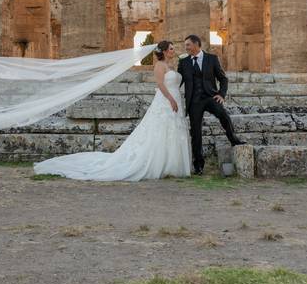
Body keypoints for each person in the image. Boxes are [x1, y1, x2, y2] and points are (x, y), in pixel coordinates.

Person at [32, 40, 191, 180]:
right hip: (166, 101)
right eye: (171, 48)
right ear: (164, 51)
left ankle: (171, 165)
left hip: (175, 99)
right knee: (161, 131)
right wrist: (170, 99)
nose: (173, 51)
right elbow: (161, 85)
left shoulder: (172, 65)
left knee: (172, 131)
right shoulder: (159, 65)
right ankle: (158, 164)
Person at [178, 34, 244, 175]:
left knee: (224, 116)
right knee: (196, 133)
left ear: (196, 44)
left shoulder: (212, 59)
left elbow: (223, 79)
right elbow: (178, 81)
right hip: (194, 101)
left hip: (210, 97)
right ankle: (198, 166)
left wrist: (221, 94)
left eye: (188, 45)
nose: (186, 47)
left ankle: (234, 140)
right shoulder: (183, 63)